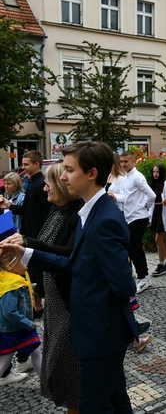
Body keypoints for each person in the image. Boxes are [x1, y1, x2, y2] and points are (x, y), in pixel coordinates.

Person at [1, 141, 138, 413]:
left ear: (92, 173)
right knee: (115, 401)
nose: (62, 177)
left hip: (100, 333)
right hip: (93, 331)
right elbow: (76, 263)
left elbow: (124, 285)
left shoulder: (104, 219)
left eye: (69, 170)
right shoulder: (89, 212)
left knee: (94, 404)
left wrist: (94, 317)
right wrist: (26, 253)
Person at [2, 163, 83, 410]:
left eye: (48, 182)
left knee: (67, 361)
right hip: (54, 293)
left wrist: (28, 245)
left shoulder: (74, 214)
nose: (43, 187)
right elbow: (43, 248)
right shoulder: (56, 210)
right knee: (60, 360)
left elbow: (66, 256)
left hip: (67, 297)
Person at [1, 151, 51, 314]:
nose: (23, 167)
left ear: (37, 164)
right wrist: (10, 206)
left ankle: (38, 304)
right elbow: (28, 211)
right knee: (32, 268)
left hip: (37, 233)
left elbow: (43, 213)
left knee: (36, 269)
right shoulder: (31, 183)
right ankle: (36, 303)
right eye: (23, 164)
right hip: (29, 232)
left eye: (27, 164)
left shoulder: (40, 184)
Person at [111, 151, 156, 294]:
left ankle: (143, 277)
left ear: (134, 162)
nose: (123, 164)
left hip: (138, 217)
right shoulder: (126, 177)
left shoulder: (137, 177)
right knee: (132, 248)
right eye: (121, 162)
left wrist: (145, 209)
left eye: (126, 162)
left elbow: (152, 195)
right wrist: (115, 197)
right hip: (129, 217)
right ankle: (141, 275)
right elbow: (126, 196)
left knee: (135, 248)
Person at [0, 261, 43, 386]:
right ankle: (47, 384)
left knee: (36, 351)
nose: (26, 265)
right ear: (10, 265)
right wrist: (28, 323)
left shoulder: (10, 280)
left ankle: (47, 384)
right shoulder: (13, 284)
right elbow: (9, 312)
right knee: (4, 362)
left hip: (18, 327)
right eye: (21, 261)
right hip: (15, 329)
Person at [149, 163, 166, 277]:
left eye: (157, 172)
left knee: (158, 239)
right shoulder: (154, 184)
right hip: (156, 213)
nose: (155, 174)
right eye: (154, 172)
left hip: (163, 214)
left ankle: (161, 264)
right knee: (163, 239)